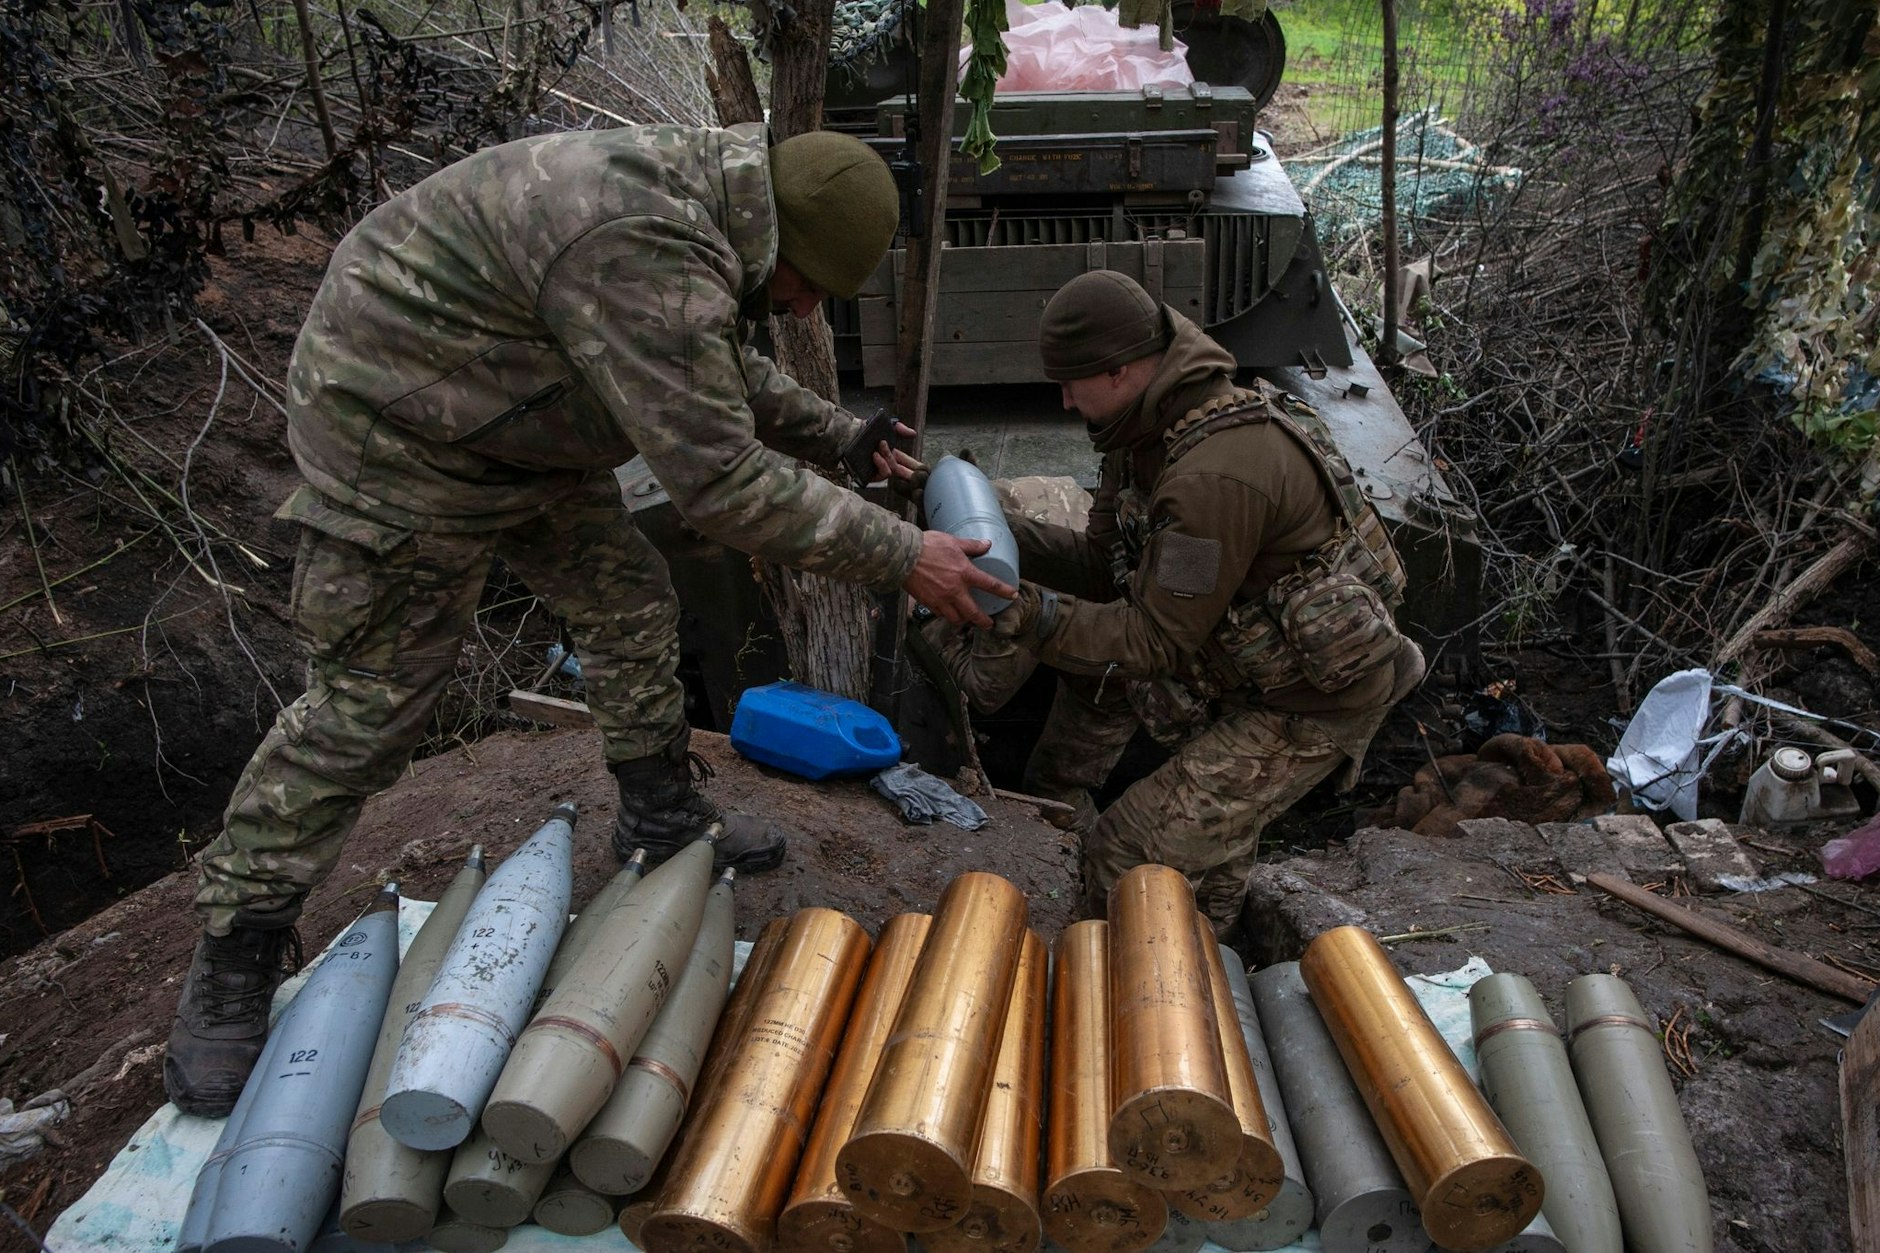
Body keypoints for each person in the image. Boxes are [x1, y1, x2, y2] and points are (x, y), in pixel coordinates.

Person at [164, 122, 1010, 1117]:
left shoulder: (711, 209)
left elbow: (709, 362)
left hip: (522, 408)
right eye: (809, 286)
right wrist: (902, 552)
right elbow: (720, 482)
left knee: (627, 601)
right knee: (372, 700)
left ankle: (658, 818)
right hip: (394, 429)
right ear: (779, 240)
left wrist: (840, 436)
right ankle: (235, 947)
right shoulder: (641, 241)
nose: (805, 309)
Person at [924, 270, 1424, 934]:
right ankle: (1212, 938)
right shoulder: (1146, 436)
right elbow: (1104, 570)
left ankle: (1169, 976)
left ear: (1120, 370)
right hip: (1239, 669)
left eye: (1071, 382)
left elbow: (1153, 641)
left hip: (1307, 705)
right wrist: (992, 527)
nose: (1066, 401)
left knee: (1125, 853)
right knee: (1173, 824)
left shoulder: (1212, 476)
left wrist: (1028, 612)